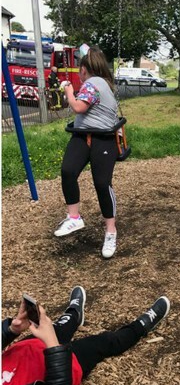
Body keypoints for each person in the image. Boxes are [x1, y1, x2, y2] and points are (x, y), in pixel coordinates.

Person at [2, 287, 170, 385]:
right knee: (105, 342)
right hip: (62, 368)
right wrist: (52, 343)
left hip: (24, 350)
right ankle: (142, 325)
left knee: (62, 325)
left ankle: (74, 313)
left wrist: (11, 330)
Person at [54, 47, 121, 259]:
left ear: (84, 70)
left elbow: (78, 107)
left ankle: (111, 231)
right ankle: (74, 217)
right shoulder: (100, 83)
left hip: (103, 139)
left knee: (102, 184)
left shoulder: (94, 83)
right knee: (68, 170)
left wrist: (68, 90)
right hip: (83, 136)